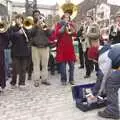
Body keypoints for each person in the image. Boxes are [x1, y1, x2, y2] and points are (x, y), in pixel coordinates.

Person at [87, 40, 120, 119]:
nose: (94, 62)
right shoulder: (108, 48)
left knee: (111, 83)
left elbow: (102, 78)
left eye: (93, 60)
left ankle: (112, 111)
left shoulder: (102, 57)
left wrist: (94, 94)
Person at [30, 10, 51, 87]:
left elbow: (49, 34)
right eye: (35, 15)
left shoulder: (44, 23)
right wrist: (36, 26)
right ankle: (36, 80)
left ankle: (44, 79)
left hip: (45, 47)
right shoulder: (31, 24)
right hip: (35, 47)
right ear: (33, 16)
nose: (37, 16)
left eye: (38, 15)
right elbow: (31, 34)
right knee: (36, 65)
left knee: (45, 65)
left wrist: (44, 26)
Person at [55, 12, 77, 85]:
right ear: (62, 18)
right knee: (63, 67)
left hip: (70, 48)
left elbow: (75, 34)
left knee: (72, 66)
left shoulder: (71, 25)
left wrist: (71, 28)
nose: (67, 19)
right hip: (62, 48)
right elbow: (57, 33)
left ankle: (71, 79)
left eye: (68, 18)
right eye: (65, 17)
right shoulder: (59, 24)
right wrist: (64, 26)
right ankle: (63, 80)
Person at [9, 14, 31, 88]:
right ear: (15, 20)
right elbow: (10, 37)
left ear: (22, 20)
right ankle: (13, 82)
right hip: (15, 51)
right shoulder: (12, 28)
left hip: (24, 51)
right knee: (15, 69)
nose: (19, 20)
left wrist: (25, 30)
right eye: (17, 19)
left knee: (23, 69)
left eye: (20, 19)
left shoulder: (25, 27)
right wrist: (18, 33)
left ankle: (22, 83)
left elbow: (29, 37)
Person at [0, 21, 9, 92]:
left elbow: (6, 38)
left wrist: (3, 31)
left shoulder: (1, 27)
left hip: (0, 50)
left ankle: (2, 85)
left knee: (1, 67)